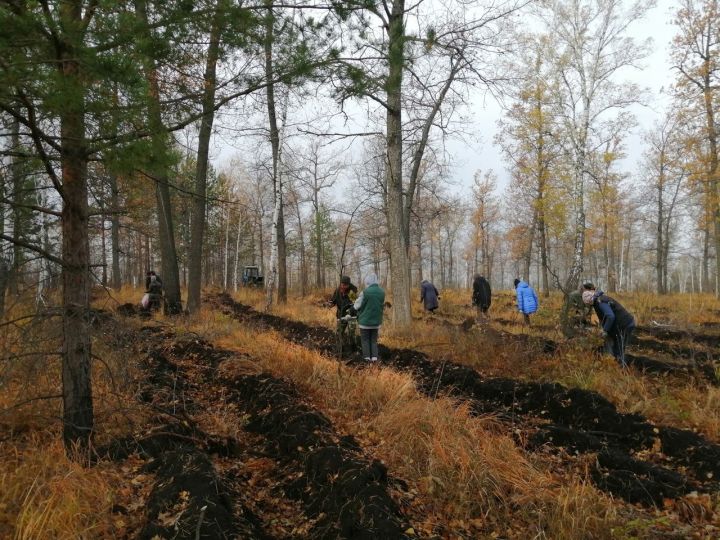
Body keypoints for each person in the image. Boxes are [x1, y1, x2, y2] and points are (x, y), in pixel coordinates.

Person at [582, 286, 636, 368]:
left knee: (619, 349)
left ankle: (621, 369)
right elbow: (604, 317)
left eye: (587, 303)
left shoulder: (600, 301)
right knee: (616, 347)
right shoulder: (600, 299)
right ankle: (617, 365)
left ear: (589, 300)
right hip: (623, 324)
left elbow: (610, 316)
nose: (588, 306)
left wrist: (604, 330)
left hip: (625, 325)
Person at [353, 273, 385, 363]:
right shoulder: (382, 292)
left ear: (367, 282)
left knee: (365, 340)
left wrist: (353, 308)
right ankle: (374, 359)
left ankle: (367, 360)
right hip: (376, 322)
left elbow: (356, 306)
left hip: (365, 322)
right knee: (374, 341)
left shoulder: (365, 292)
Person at [329, 276, 358, 351]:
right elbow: (333, 301)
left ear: (348, 285)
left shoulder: (351, 292)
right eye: (342, 284)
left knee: (351, 334)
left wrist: (350, 310)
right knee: (339, 333)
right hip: (341, 315)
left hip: (351, 316)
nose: (343, 286)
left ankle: (353, 350)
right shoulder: (338, 290)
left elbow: (355, 304)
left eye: (345, 285)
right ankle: (339, 349)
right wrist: (329, 304)